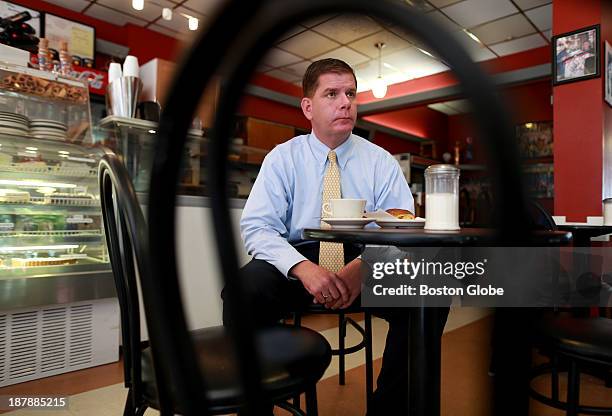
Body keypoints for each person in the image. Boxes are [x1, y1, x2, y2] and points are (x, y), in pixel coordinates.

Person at [222, 58, 448, 415]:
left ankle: (390, 410)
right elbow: (258, 227)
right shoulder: (283, 159)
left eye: (351, 93)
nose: (346, 102)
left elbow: (402, 228)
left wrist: (363, 268)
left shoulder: (381, 162)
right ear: (308, 107)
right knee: (243, 290)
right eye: (332, 93)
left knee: (430, 292)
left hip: (367, 259)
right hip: (299, 261)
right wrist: (303, 268)